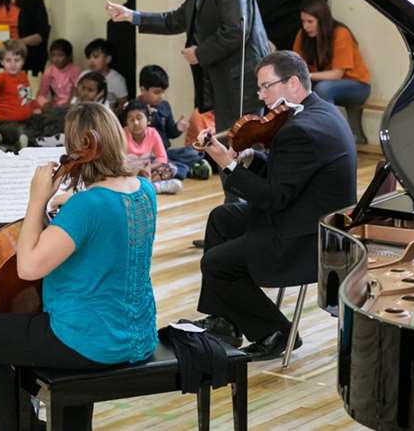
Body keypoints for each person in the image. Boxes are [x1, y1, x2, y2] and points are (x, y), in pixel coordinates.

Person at [0, 102, 158, 430]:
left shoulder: (88, 206)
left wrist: (37, 200)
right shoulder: (144, 189)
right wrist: (70, 202)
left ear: (78, 147)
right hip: (138, 335)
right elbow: (104, 222)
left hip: (90, 340)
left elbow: (29, 267)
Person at [186, 51, 356, 361]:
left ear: (292, 83)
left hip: (304, 240)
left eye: (266, 86)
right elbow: (292, 178)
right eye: (260, 88)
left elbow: (272, 198)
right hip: (308, 218)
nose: (261, 96)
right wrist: (256, 160)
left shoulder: (299, 130)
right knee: (222, 218)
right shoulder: (322, 112)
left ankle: (275, 332)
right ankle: (225, 321)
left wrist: (227, 164)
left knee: (214, 263)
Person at [106, 0, 270, 133]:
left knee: (243, 144)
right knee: (231, 144)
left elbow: (236, 31)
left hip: (241, 82)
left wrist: (200, 53)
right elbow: (177, 19)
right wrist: (132, 16)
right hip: (224, 78)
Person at [292, 0, 370, 142]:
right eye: (303, 21)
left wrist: (307, 76)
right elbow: (296, 65)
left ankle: (333, 136)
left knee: (323, 88)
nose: (305, 26)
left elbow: (337, 75)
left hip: (357, 85)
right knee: (299, 88)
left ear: (322, 20)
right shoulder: (302, 35)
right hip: (321, 82)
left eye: (310, 22)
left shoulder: (340, 33)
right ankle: (302, 136)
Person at [138, 64, 211, 180]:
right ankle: (186, 170)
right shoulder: (135, 109)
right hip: (145, 156)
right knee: (144, 163)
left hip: (165, 153)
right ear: (143, 90)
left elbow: (170, 133)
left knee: (193, 152)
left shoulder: (165, 106)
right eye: (157, 92)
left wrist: (178, 128)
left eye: (163, 92)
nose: (161, 96)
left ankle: (177, 168)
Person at [0, 40, 41, 149]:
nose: (13, 64)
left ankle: (0, 138)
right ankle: (14, 139)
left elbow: (27, 98)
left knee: (36, 125)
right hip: (5, 120)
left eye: (17, 60)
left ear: (23, 61)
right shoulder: (2, 77)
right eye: (8, 60)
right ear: (2, 62)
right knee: (17, 130)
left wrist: (35, 107)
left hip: (24, 119)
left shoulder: (23, 76)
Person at [121, 100, 182, 195]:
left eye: (139, 118)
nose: (136, 123)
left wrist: (148, 167)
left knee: (171, 168)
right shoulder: (122, 135)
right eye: (131, 119)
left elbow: (162, 158)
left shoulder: (152, 133)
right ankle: (153, 187)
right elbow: (118, 160)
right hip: (129, 172)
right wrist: (134, 169)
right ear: (126, 122)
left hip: (147, 170)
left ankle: (144, 187)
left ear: (148, 120)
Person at [79, 39, 127, 109]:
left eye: (96, 57)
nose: (91, 60)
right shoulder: (84, 75)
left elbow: (123, 103)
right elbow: (77, 93)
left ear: (108, 59)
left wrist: (113, 116)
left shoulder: (117, 80)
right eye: (89, 57)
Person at [37, 38, 80, 108]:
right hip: (56, 106)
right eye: (53, 55)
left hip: (73, 105)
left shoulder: (75, 70)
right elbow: (41, 94)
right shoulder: (49, 71)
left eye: (60, 55)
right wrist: (45, 104)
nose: (56, 59)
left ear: (69, 57)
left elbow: (77, 94)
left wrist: (70, 105)